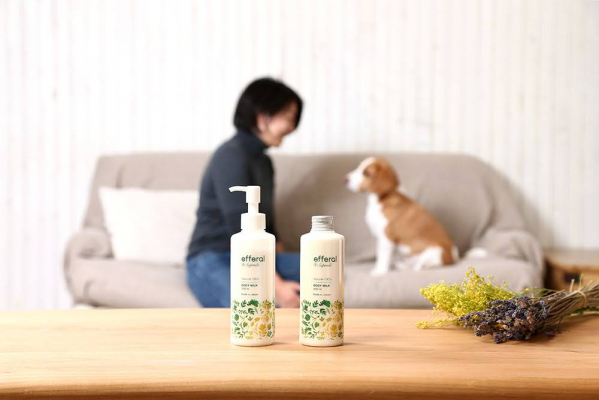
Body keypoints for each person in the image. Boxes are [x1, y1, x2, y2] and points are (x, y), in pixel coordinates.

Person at [186, 77, 303, 308]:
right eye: (288, 117)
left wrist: (277, 262)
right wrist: (277, 286)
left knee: (322, 268)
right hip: (215, 257)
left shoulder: (263, 162)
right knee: (250, 309)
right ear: (262, 118)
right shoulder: (231, 156)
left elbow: (268, 226)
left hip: (258, 254)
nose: (292, 127)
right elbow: (241, 228)